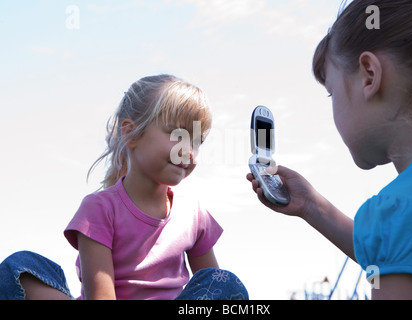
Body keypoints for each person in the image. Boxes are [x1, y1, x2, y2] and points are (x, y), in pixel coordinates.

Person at [248, 0, 412, 300]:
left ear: (369, 75)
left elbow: (399, 239)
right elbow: (406, 248)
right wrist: (312, 207)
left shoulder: (396, 210)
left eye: (331, 92)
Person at [0, 74, 248, 300]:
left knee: (225, 283)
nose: (188, 150)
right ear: (131, 134)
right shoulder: (99, 209)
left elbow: (213, 289)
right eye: (176, 134)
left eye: (197, 141)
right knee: (17, 267)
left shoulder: (194, 215)